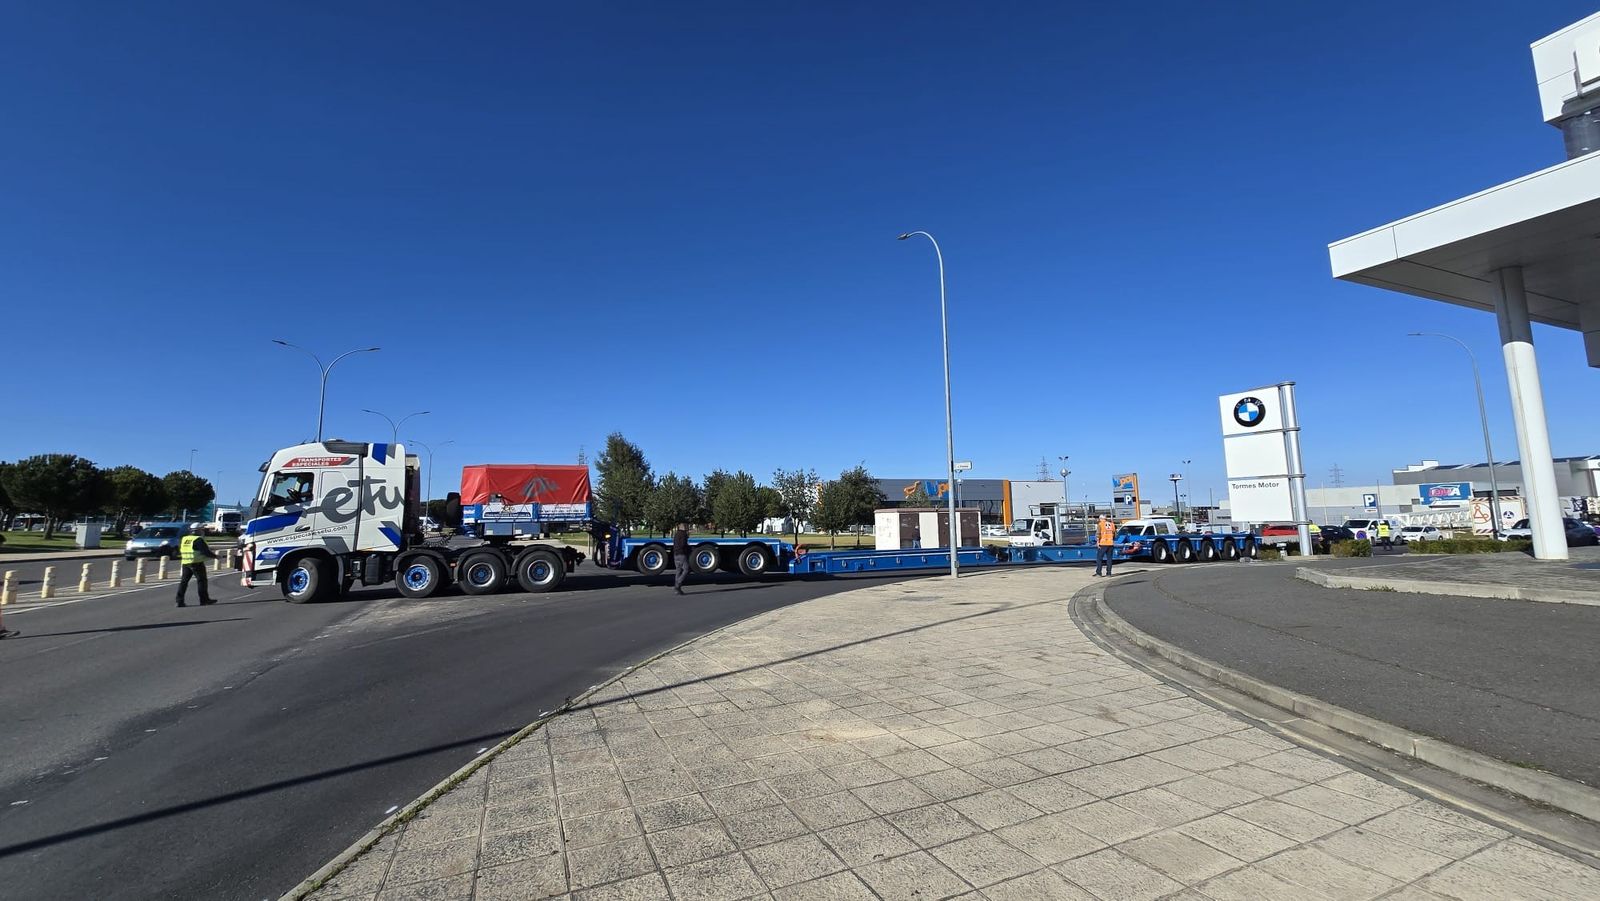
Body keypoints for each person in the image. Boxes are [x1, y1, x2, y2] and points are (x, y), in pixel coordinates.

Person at [176, 522, 218, 607]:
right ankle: (204, 600)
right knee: (202, 581)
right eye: (202, 530)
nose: (203, 531)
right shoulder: (198, 539)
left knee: (183, 582)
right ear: (198, 530)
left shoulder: (185, 539)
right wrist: (216, 556)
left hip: (185, 563)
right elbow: (205, 552)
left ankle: (179, 601)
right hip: (196, 563)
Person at [672, 521, 691, 595]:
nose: (688, 528)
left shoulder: (676, 534)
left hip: (675, 554)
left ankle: (678, 589)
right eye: (687, 527)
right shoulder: (683, 534)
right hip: (682, 554)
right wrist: (689, 549)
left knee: (678, 571)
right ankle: (677, 585)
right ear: (684, 527)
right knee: (686, 569)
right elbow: (683, 544)